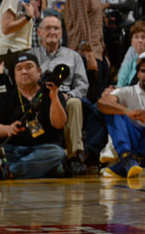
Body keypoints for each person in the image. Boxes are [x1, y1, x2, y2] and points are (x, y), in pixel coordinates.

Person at [0, 52, 67, 179]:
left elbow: (59, 124)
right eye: (19, 69)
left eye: (29, 67)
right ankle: (35, 170)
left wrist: (54, 98)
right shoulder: (5, 97)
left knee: (57, 153)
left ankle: (10, 171)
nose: (24, 72)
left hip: (42, 149)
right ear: (14, 75)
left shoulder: (52, 92)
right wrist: (8, 129)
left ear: (39, 71)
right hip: (13, 150)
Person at [31, 15, 90, 176]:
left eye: (56, 28)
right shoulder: (31, 56)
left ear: (61, 32)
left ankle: (74, 156)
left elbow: (82, 85)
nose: (52, 31)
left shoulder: (73, 56)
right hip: (39, 99)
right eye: (48, 28)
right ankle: (34, 154)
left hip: (63, 98)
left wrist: (67, 95)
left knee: (75, 102)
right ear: (39, 32)